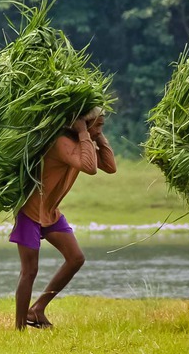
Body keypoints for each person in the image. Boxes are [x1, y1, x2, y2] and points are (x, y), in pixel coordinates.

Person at [12, 109, 116, 330]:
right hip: (30, 211)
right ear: (79, 125)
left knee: (75, 258)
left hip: (50, 212)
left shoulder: (81, 142)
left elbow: (110, 167)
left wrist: (96, 134)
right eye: (98, 125)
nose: (100, 129)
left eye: (102, 125)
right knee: (29, 271)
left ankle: (37, 309)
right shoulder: (61, 143)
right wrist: (84, 132)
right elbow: (89, 167)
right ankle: (19, 328)